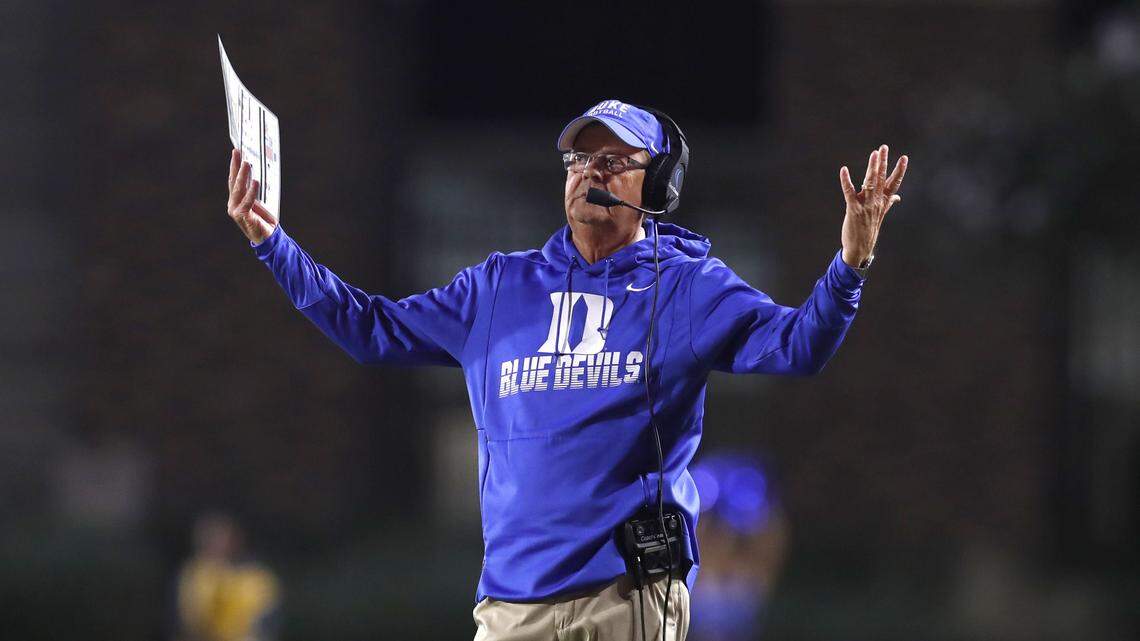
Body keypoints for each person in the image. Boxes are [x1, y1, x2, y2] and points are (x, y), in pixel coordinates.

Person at [224, 98, 908, 641]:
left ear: (660, 183)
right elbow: (369, 329)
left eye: (614, 159)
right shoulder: (496, 289)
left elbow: (799, 346)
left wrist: (850, 265)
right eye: (580, 158)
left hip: (627, 596)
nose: (591, 172)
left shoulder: (689, 287)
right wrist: (272, 243)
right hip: (512, 600)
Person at [173, 513, 280, 641]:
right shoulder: (195, 575)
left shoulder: (256, 578)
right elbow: (190, 621)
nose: (216, 545)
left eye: (221, 539)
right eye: (210, 540)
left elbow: (265, 624)